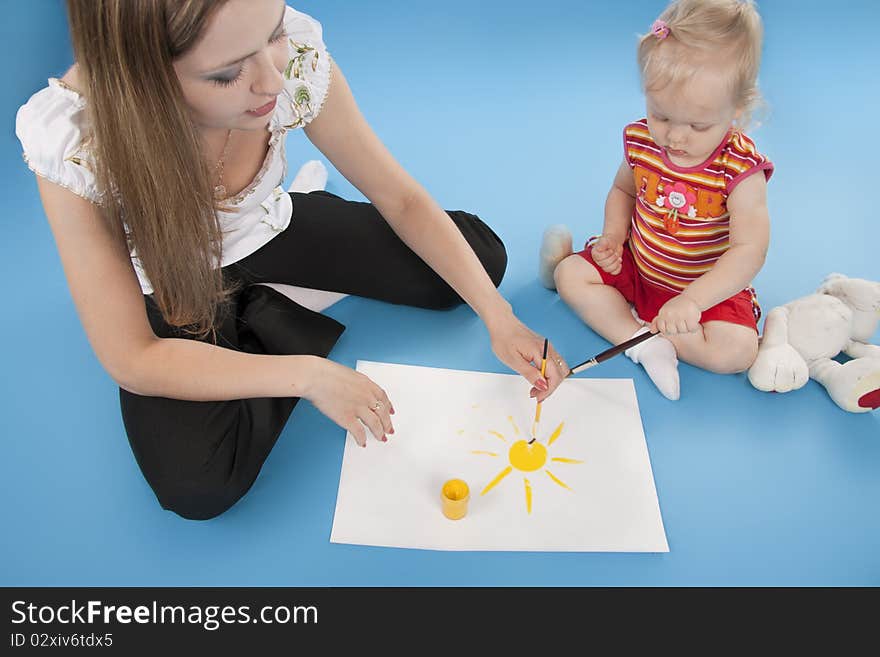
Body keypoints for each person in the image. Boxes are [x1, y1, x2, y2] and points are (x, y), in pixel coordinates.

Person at [15, 0, 568, 520]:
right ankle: (266, 314)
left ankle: (261, 305)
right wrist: (306, 376)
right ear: (147, 79)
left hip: (266, 230)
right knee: (199, 485)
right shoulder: (75, 139)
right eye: (227, 74)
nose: (273, 80)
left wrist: (501, 318)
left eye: (274, 31)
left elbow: (400, 198)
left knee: (478, 261)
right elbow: (131, 357)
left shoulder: (287, 57)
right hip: (172, 286)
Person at [540, 0, 773, 401]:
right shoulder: (642, 140)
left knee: (737, 352)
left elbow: (750, 249)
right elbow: (624, 190)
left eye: (698, 125)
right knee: (569, 278)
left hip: (704, 289)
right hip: (641, 266)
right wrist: (613, 238)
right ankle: (644, 343)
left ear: (737, 109)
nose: (675, 137)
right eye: (661, 115)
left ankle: (643, 327)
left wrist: (694, 300)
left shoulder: (739, 168)